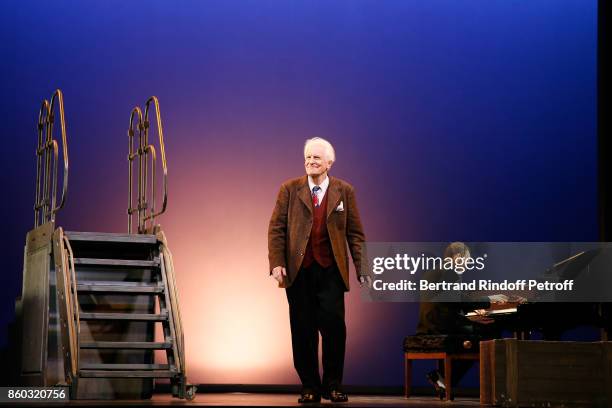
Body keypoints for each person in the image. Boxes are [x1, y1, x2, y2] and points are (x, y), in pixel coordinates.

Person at [268, 137, 368, 403]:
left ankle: (333, 385)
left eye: (316, 158)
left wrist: (362, 267)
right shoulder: (289, 189)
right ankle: (309, 386)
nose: (310, 162)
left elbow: (355, 234)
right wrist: (277, 262)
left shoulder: (344, 191)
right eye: (308, 158)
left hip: (330, 270)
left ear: (329, 163)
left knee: (335, 329)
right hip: (298, 271)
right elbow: (276, 228)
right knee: (302, 330)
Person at [416, 242, 507, 399]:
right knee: (488, 335)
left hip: (430, 324)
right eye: (468, 259)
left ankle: (443, 378)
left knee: (476, 336)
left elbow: (451, 302)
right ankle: (495, 389)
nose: (468, 263)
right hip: (443, 325)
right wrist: (490, 299)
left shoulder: (435, 271)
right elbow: (458, 301)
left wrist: (473, 316)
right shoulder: (450, 272)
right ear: (458, 257)